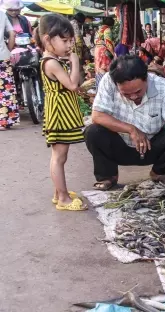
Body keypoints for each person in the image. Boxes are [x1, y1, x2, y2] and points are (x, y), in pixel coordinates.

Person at [85, 55, 165, 190]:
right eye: (127, 94)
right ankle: (108, 176)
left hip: (151, 148)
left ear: (146, 79)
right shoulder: (108, 81)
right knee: (93, 132)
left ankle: (160, 172)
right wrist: (131, 129)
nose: (134, 97)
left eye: (138, 91)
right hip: (119, 146)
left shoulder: (163, 86)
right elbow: (98, 116)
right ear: (116, 84)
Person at [34, 14, 86, 211]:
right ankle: (63, 198)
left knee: (60, 156)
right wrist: (74, 61)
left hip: (63, 110)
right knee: (59, 157)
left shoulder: (53, 59)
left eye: (69, 40)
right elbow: (72, 84)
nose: (68, 45)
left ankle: (59, 192)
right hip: (59, 113)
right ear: (48, 39)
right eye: (64, 41)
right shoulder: (51, 62)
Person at [0, 9, 18, 130]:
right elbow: (12, 34)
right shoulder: (1, 14)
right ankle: (5, 121)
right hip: (3, 56)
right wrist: (9, 49)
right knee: (5, 89)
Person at [94, 16, 115, 87]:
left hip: (97, 50)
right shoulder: (107, 29)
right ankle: (105, 86)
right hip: (103, 51)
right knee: (105, 68)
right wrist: (113, 54)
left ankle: (99, 87)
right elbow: (108, 42)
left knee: (98, 68)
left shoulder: (99, 29)